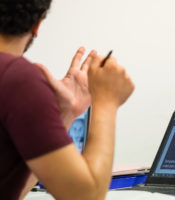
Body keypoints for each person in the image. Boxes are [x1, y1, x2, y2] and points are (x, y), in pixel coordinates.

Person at [0, 1, 134, 200]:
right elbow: (87, 196)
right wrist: (106, 100)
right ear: (37, 23)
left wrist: (68, 113)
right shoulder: (18, 78)